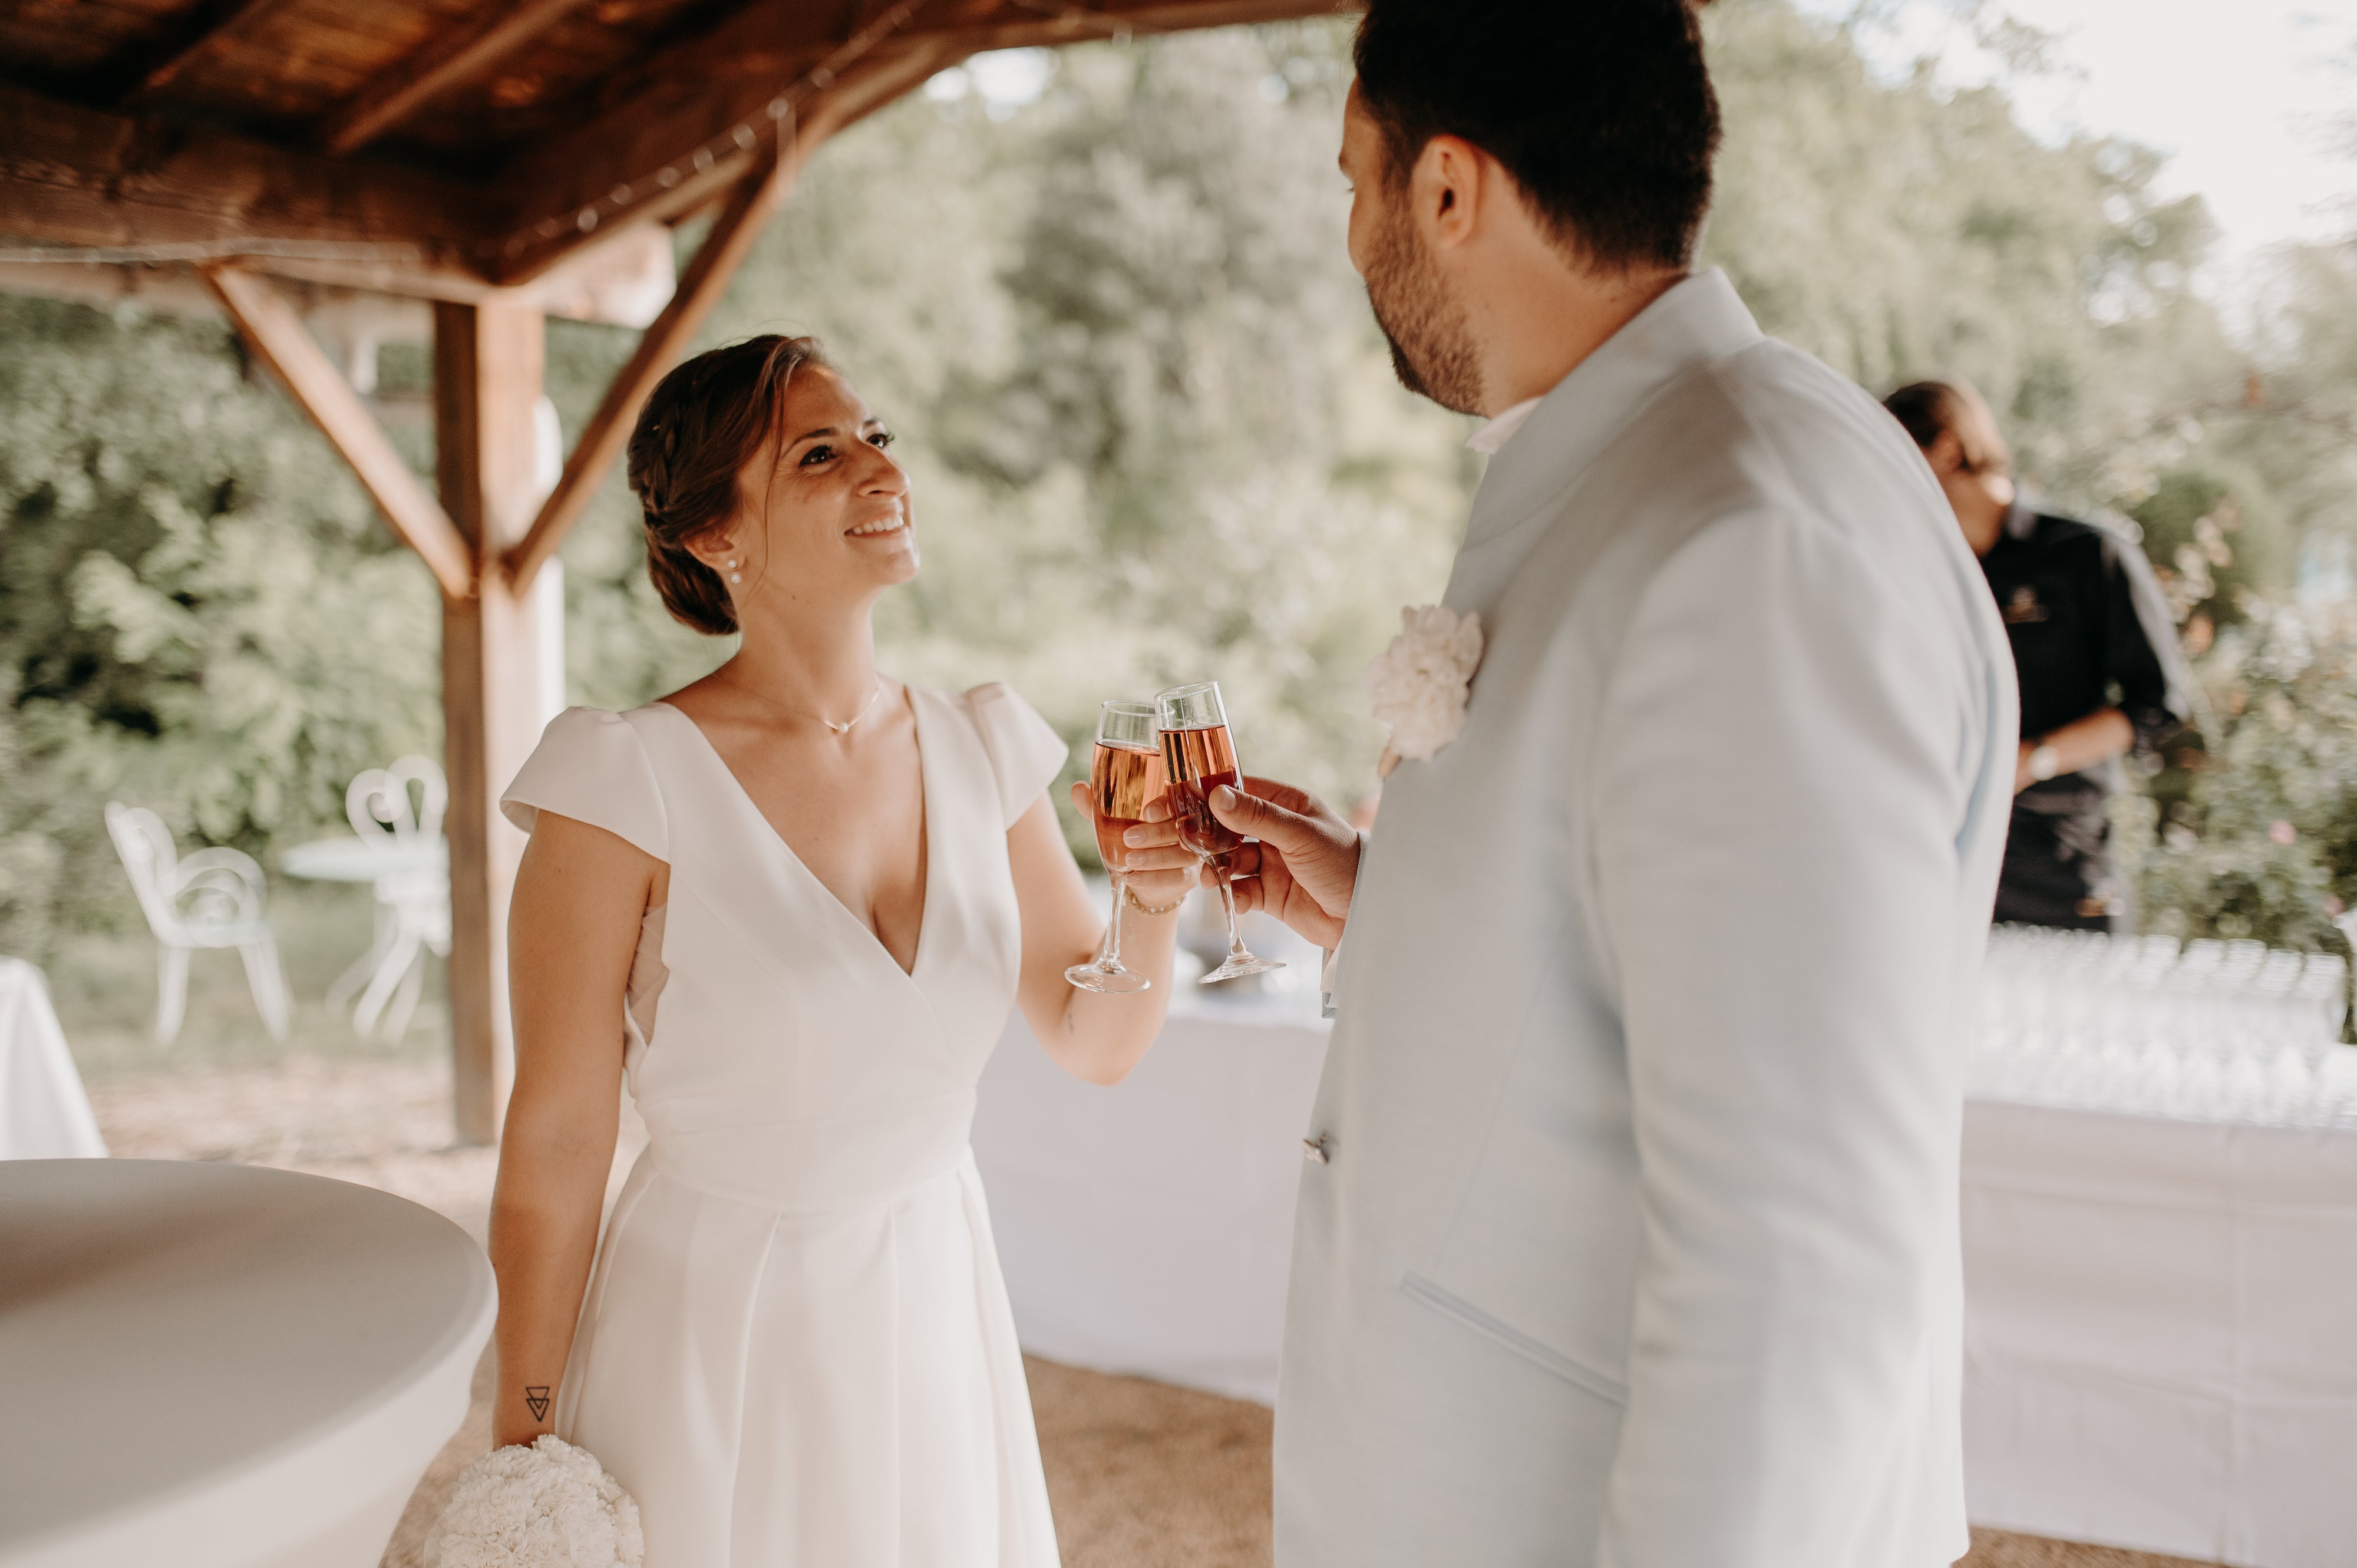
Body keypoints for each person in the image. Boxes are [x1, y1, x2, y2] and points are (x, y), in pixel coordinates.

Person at [1123, 4, 2017, 1563]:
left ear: (1451, 190)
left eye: (1356, 183)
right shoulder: (1661, 461)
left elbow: (1795, 1255)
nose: (1352, 240)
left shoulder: (1751, 537)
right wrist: (1386, 906)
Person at [485, 334, 1187, 1565]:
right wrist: (525, 1439)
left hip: (930, 1301)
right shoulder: (621, 781)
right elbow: (554, 1141)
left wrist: (1150, 904)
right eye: (821, 452)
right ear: (716, 535)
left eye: (878, 438)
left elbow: (1094, 1038)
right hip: (711, 1326)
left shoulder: (984, 749)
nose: (879, 470)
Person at [1885, 379, 2193, 929]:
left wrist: (2031, 760)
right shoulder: (1918, 570)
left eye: (1896, 459)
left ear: (1948, 450)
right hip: (1939, 857)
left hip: (2062, 867)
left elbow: (2156, 705)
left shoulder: (2087, 554)